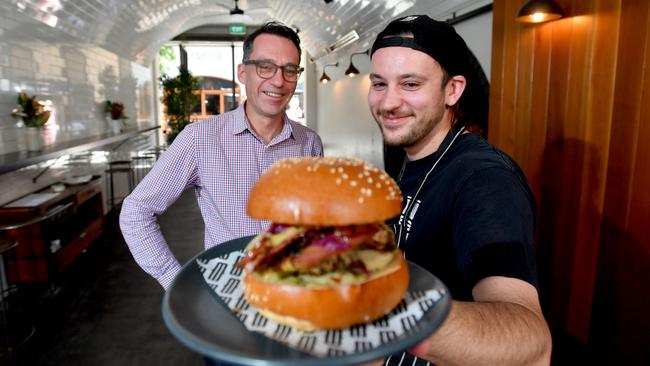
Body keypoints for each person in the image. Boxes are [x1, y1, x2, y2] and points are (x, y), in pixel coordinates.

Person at [367, 15, 551, 365]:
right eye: (379, 84)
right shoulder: (410, 158)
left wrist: (365, 305)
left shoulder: (485, 180)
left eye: (410, 84)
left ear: (452, 90)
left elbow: (532, 342)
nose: (388, 103)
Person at [119, 21, 323, 290]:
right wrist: (176, 282)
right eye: (265, 67)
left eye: (289, 70)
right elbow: (136, 211)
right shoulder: (200, 139)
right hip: (227, 293)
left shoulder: (309, 143)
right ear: (243, 72)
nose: (278, 80)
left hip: (294, 291)